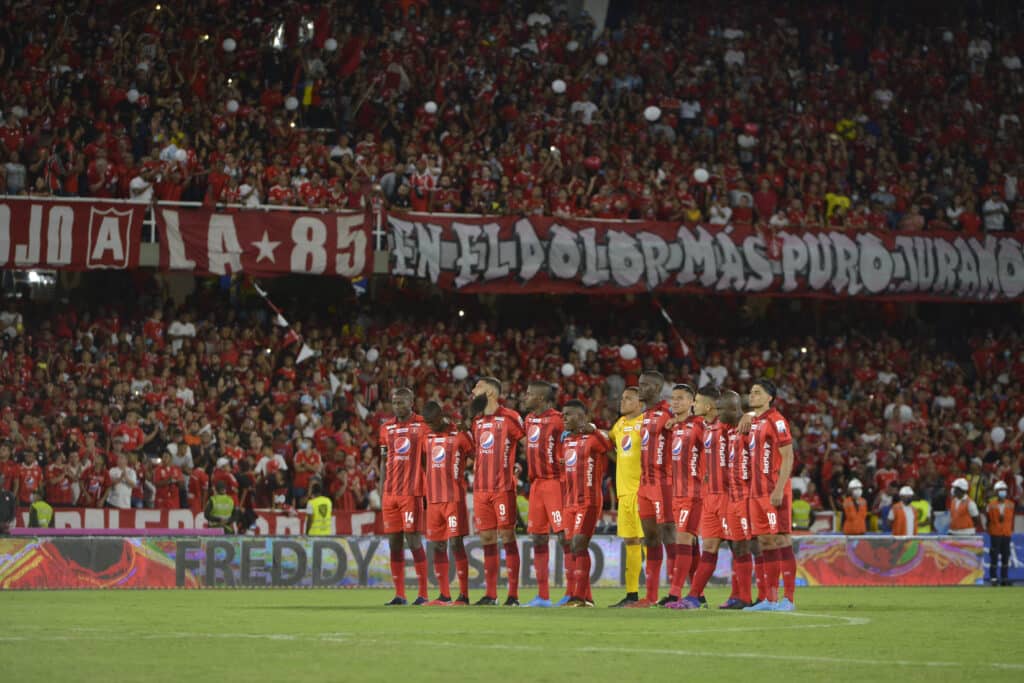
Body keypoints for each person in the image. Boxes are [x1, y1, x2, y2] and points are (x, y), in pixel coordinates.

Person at [668, 386, 730, 610]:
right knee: (708, 545)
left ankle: (757, 595)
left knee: (741, 547)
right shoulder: (699, 427)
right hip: (704, 495)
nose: (693, 405)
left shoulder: (713, 426)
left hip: (716, 495)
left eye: (695, 401)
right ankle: (695, 596)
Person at [470, 376, 526, 606]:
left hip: (503, 487)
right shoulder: (477, 421)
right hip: (481, 489)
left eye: (478, 387)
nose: (473, 390)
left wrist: (519, 465)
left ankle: (512, 595)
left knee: (507, 536)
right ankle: (490, 594)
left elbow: (527, 445)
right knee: (486, 538)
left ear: (491, 393)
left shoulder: (511, 418)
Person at [743, 378, 797, 612]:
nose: (751, 396)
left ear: (769, 398)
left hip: (774, 490)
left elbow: (788, 457)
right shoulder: (754, 421)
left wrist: (778, 489)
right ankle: (770, 598)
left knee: (782, 540)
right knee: (765, 541)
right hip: (756, 492)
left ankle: (789, 599)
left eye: (757, 393)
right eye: (751, 392)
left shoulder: (777, 421)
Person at [379, 387, 431, 606]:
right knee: (394, 543)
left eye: (401, 402)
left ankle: (423, 594)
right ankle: (400, 594)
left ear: (411, 402)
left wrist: (429, 489)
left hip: (412, 492)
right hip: (390, 494)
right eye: (394, 402)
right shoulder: (385, 428)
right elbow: (383, 460)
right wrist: (382, 489)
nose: (397, 406)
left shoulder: (423, 425)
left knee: (413, 540)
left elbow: (429, 460)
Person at [420, 401, 474, 606]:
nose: (430, 426)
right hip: (433, 499)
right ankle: (444, 595)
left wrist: (458, 473)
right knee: (437, 545)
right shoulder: (427, 435)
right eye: (428, 423)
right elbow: (425, 461)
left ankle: (464, 595)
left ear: (441, 416)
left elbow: (476, 454)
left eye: (433, 422)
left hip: (453, 498)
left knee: (456, 543)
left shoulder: (459, 433)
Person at [559, 400, 611, 607]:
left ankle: (579, 597)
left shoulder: (593, 439)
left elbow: (608, 445)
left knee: (579, 544)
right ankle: (582, 596)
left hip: (588, 501)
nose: (563, 418)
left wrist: (595, 430)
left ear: (581, 417)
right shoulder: (566, 441)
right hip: (570, 503)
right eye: (563, 415)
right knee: (571, 546)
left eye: (568, 415)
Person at [520, 381, 567, 608]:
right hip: (536, 485)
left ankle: (574, 593)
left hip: (555, 483)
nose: (524, 397)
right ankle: (543, 596)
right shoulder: (528, 420)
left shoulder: (559, 419)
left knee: (565, 536)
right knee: (538, 537)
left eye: (528, 394)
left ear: (540, 398)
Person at [633, 371, 676, 607]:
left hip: (663, 483)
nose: (640, 389)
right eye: (639, 384)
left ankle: (674, 592)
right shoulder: (646, 414)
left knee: (669, 534)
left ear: (658, 387)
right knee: (649, 538)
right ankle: (650, 596)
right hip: (645, 485)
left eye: (645, 385)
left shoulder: (669, 412)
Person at [607, 386, 647, 607]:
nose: (623, 402)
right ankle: (632, 594)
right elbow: (610, 442)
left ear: (640, 403)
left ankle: (653, 594)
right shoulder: (620, 424)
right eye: (622, 398)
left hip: (641, 492)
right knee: (631, 541)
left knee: (648, 542)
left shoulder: (647, 423)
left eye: (628, 398)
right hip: (624, 494)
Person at [985, 481, 1013, 586]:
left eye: (1004, 490)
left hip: (1006, 533)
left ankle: (1004, 578)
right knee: (994, 556)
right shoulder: (990, 505)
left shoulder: (1011, 504)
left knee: (1005, 556)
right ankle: (993, 578)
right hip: (995, 533)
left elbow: (1012, 520)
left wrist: (1010, 530)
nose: (1003, 492)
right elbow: (988, 519)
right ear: (996, 492)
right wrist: (989, 529)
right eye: (1000, 490)